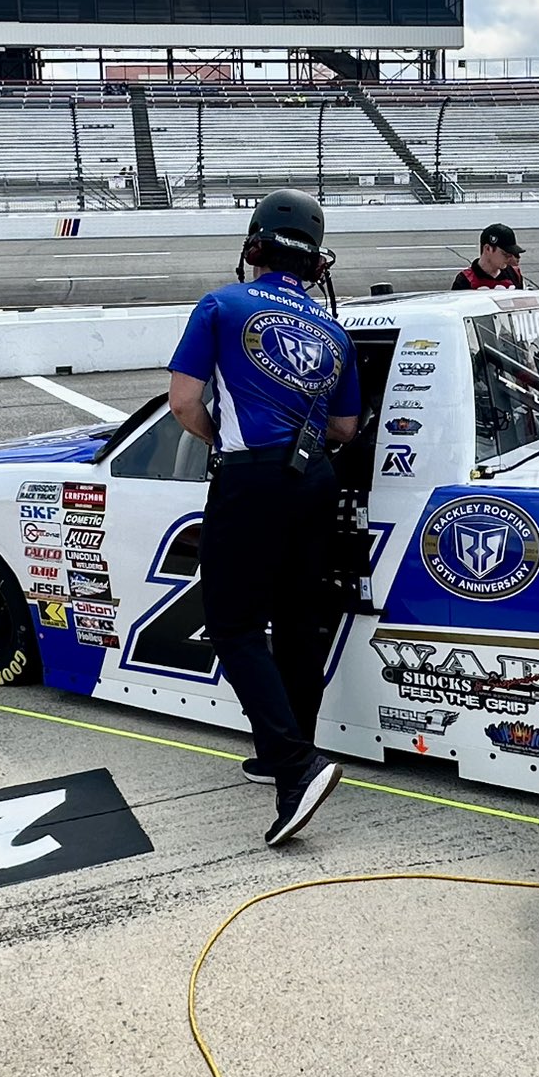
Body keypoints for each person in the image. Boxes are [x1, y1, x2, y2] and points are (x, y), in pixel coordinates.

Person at [168, 189, 358, 846]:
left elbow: (184, 402)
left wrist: (228, 443)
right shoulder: (333, 330)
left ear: (254, 247)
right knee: (299, 625)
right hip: (317, 480)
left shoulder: (222, 304)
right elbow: (344, 425)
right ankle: (286, 752)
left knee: (233, 623)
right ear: (314, 264)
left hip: (250, 478)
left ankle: (295, 767)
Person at [453, 222, 526, 290]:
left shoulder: (514, 274)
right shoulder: (465, 280)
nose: (510, 258)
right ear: (488, 249)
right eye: (506, 254)